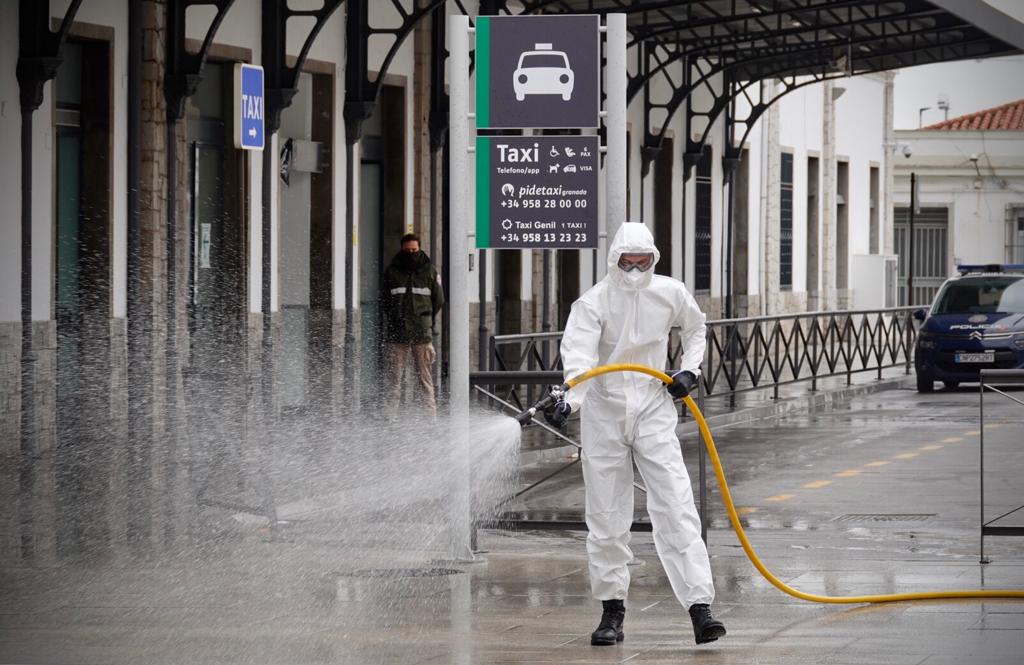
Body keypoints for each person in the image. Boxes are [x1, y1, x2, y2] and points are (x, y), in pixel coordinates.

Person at [544, 222, 726, 647]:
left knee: (676, 503)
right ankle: (612, 611)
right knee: (607, 515)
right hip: (604, 412)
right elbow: (580, 358)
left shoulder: (670, 292)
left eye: (642, 261)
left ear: (653, 259)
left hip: (652, 406)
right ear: (614, 260)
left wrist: (689, 369)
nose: (634, 268)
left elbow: (697, 329)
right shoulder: (593, 302)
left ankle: (700, 608)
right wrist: (568, 401)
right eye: (627, 261)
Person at [381, 233, 444, 417]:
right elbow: (385, 299)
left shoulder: (430, 271)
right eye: (407, 250)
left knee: (425, 378)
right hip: (397, 332)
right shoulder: (392, 271)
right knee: (394, 378)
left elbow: (438, 299)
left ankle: (429, 417)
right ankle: (389, 416)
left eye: (414, 250)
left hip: (421, 332)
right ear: (402, 249)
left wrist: (426, 319)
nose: (411, 253)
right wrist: (394, 317)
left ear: (420, 249)